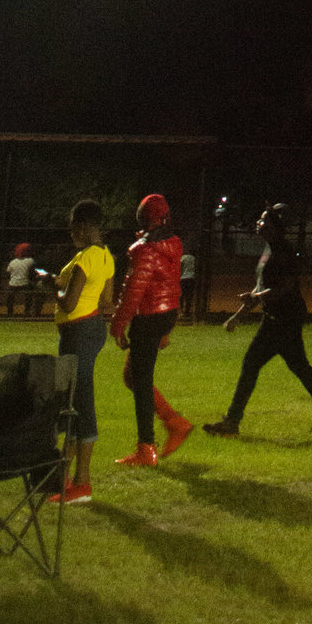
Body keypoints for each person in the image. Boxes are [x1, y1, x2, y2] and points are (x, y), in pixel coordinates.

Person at [203, 205, 312, 438]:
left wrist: (255, 298)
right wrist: (238, 315)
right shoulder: (269, 248)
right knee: (300, 367)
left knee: (251, 364)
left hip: (283, 318)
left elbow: (283, 287)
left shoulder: (283, 252)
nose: (259, 222)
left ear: (276, 227)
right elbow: (260, 288)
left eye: (264, 220)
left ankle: (232, 422)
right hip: (279, 317)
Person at [110, 193, 193, 468]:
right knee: (133, 376)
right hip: (165, 313)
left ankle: (147, 447)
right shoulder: (173, 244)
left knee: (140, 380)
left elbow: (134, 291)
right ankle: (173, 422)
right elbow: (169, 282)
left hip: (148, 318)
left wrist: (118, 325)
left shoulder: (143, 250)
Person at [47, 201, 115, 506]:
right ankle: (64, 478)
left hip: (78, 334)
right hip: (92, 330)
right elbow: (107, 302)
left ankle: (82, 483)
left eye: (74, 225)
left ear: (86, 226)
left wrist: (55, 287)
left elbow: (69, 304)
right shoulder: (105, 256)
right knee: (74, 403)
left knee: (81, 405)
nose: (71, 230)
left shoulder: (86, 258)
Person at [5, 244, 38, 317]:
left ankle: (9, 312)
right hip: (25, 283)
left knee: (10, 297)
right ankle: (27, 312)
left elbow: (8, 273)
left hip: (13, 283)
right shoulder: (30, 260)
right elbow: (34, 271)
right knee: (29, 295)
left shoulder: (12, 261)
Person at [179, 249, 197, 320]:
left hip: (183, 278)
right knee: (189, 295)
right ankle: (187, 310)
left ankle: (181, 310)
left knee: (182, 295)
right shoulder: (194, 258)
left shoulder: (183, 258)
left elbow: (180, 267)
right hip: (191, 278)